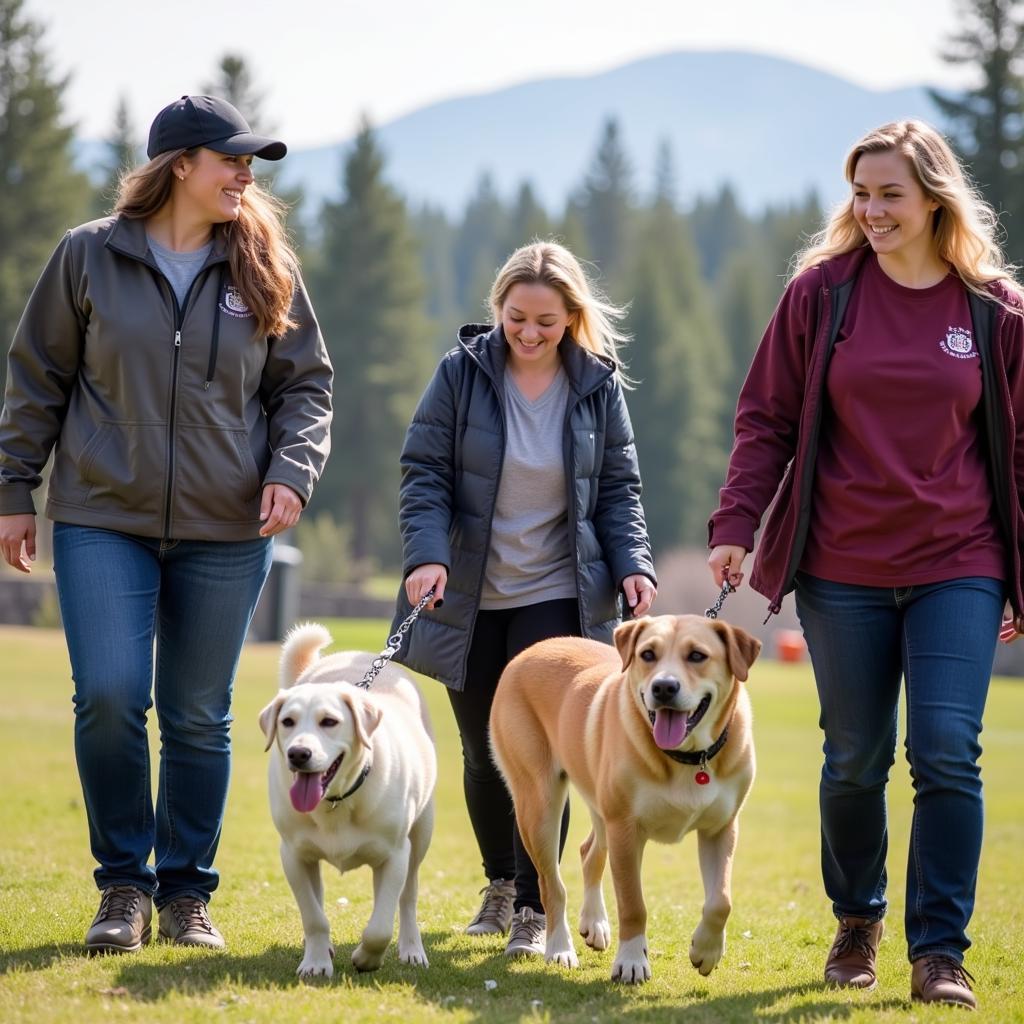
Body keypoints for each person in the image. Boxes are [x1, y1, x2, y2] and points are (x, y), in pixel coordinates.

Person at [0, 95, 333, 954]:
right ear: (180, 164)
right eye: (231, 159)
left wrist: (291, 472)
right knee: (110, 696)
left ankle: (186, 894)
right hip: (100, 515)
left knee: (197, 714)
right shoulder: (87, 257)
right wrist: (12, 490)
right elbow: (37, 379)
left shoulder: (266, 266)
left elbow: (306, 388)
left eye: (252, 162)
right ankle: (123, 888)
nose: (245, 175)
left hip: (228, 526)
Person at [708, 120, 1023, 1011]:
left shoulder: (993, 310)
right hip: (841, 564)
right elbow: (764, 419)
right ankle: (858, 920)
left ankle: (941, 952)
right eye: (862, 192)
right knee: (853, 756)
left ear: (934, 199)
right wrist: (738, 520)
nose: (873, 209)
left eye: (890, 193)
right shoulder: (822, 297)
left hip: (961, 560)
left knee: (947, 752)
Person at [392, 241, 657, 957]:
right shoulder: (461, 375)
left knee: (555, 761)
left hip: (560, 598)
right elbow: (423, 474)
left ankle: (539, 906)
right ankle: (501, 887)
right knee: (487, 753)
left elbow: (619, 492)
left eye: (546, 320)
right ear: (498, 312)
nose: (530, 333)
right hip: (470, 595)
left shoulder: (598, 388)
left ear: (572, 317)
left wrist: (634, 565)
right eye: (516, 318)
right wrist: (426, 555)